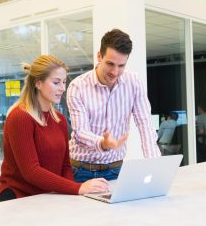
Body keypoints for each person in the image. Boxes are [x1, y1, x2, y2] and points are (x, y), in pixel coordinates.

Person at [0, 55, 109, 202]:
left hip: (48, 196)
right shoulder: (20, 117)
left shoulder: (59, 119)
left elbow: (65, 166)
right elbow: (31, 171)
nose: (62, 88)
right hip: (19, 198)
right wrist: (78, 188)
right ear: (38, 83)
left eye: (63, 82)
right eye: (56, 83)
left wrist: (73, 195)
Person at [67, 29, 161, 182]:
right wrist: (102, 143)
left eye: (121, 65)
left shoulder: (133, 82)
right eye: (110, 64)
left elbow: (145, 124)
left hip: (116, 169)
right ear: (99, 56)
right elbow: (80, 132)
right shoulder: (78, 86)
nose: (115, 72)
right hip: (81, 171)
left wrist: (155, 165)